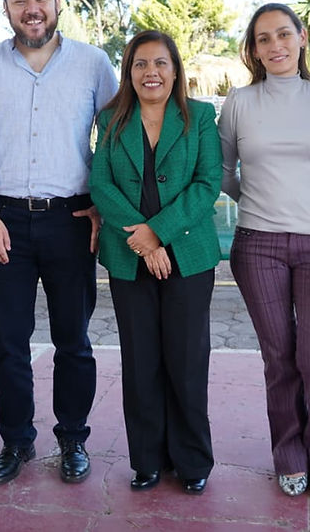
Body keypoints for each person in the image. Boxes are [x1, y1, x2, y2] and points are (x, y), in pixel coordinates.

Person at [0, 0, 118, 485]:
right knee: (9, 342)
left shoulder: (94, 64)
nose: (32, 10)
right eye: (20, 1)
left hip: (72, 220)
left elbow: (116, 140)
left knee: (73, 339)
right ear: (5, 7)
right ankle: (17, 442)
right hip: (2, 220)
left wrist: (102, 201)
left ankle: (73, 440)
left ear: (56, 1)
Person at [218, 3, 310, 498]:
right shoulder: (238, 102)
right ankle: (289, 451)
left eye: (283, 34)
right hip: (258, 247)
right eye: (263, 39)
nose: (274, 46)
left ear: (301, 38)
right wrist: (257, 197)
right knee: (279, 358)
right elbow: (222, 171)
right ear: (253, 49)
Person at [90, 30, 222, 496]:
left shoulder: (200, 116)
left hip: (188, 256)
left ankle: (191, 461)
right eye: (141, 64)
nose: (151, 72)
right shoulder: (111, 120)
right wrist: (144, 242)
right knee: (141, 362)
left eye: (161, 63)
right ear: (129, 72)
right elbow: (100, 185)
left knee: (186, 362)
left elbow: (208, 184)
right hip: (130, 259)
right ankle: (147, 460)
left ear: (175, 69)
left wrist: (160, 233)